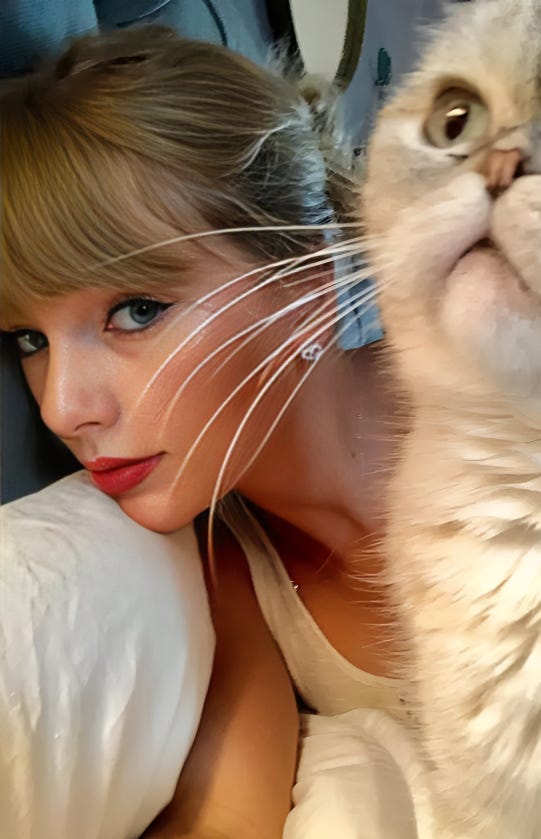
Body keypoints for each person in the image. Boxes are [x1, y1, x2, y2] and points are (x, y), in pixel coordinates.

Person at [1, 25, 404, 838]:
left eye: (136, 310)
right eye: (29, 340)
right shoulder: (225, 569)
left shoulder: (540, 409)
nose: (62, 409)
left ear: (312, 278)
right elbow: (226, 816)